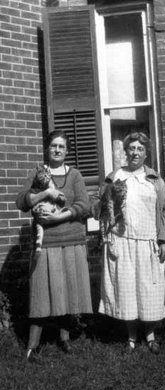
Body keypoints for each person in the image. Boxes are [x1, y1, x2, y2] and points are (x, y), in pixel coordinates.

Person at [92, 131, 165, 354]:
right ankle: (130, 337)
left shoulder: (155, 180)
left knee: (149, 290)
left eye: (140, 149)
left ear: (146, 154)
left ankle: (150, 336)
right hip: (122, 242)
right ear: (125, 151)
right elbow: (98, 209)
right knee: (126, 290)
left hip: (148, 243)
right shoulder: (114, 176)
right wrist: (104, 199)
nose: (135, 152)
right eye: (132, 148)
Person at [16, 129, 93, 361]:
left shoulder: (75, 175)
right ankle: (32, 345)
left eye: (61, 146)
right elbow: (21, 201)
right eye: (53, 146)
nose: (57, 150)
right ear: (47, 149)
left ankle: (65, 339)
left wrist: (59, 217)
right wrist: (45, 193)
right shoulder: (38, 173)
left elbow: (84, 205)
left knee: (68, 292)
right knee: (41, 293)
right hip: (46, 243)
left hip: (71, 240)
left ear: (67, 151)